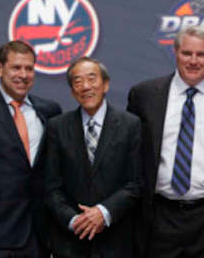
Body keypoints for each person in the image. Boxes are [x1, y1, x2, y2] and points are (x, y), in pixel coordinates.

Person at [127, 25, 204, 258]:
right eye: (187, 53)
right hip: (159, 217)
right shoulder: (144, 94)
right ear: (175, 53)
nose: (194, 61)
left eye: (201, 54)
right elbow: (130, 157)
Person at [45, 57, 141, 258]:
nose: (86, 86)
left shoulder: (130, 125)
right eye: (78, 82)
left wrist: (103, 213)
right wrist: (74, 221)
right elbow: (51, 186)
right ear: (72, 91)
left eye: (91, 78)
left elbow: (136, 183)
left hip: (116, 240)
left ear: (106, 84)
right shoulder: (57, 127)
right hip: (70, 242)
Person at [0, 40, 61, 258]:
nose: (23, 74)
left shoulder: (49, 111)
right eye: (16, 67)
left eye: (29, 68)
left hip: (37, 235)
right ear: (0, 69)